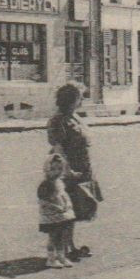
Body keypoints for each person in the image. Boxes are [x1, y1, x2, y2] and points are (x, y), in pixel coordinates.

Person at [46, 82, 99, 261]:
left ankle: (70, 247)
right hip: (68, 172)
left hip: (81, 169)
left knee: (75, 209)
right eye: (80, 97)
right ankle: (63, 249)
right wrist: (68, 171)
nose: (82, 100)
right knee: (65, 211)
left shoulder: (74, 116)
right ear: (70, 99)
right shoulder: (58, 120)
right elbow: (58, 149)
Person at [37, 152, 76, 269]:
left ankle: (61, 256)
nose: (57, 171)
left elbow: (63, 195)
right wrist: (56, 207)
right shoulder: (46, 184)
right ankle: (51, 258)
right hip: (51, 216)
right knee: (53, 237)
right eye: (53, 169)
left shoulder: (59, 182)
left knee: (62, 236)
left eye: (59, 168)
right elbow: (43, 201)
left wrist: (68, 204)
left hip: (61, 215)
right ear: (47, 169)